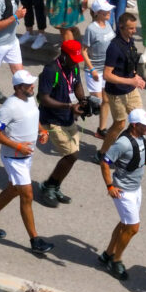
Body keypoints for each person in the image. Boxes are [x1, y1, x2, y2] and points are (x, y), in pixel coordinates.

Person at [0, 69, 55, 254]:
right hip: (14, 158)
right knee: (27, 195)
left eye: (31, 84)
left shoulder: (30, 99)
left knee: (13, 189)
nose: (32, 87)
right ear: (17, 87)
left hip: (26, 156)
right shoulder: (9, 107)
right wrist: (18, 147)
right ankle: (35, 240)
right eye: (28, 85)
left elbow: (34, 118)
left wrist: (42, 132)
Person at [98, 108, 146, 281]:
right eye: (144, 124)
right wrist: (110, 186)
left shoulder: (141, 137)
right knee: (133, 227)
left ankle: (108, 254)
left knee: (126, 223)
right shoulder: (122, 143)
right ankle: (116, 260)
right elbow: (105, 162)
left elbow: (141, 155)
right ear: (134, 125)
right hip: (123, 191)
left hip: (136, 188)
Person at [37, 40, 86, 207]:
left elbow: (77, 84)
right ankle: (49, 186)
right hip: (51, 120)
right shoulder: (51, 70)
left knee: (72, 156)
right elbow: (44, 98)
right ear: (63, 56)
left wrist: (83, 101)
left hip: (67, 117)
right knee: (71, 155)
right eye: (72, 58)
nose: (75, 62)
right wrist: (69, 106)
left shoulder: (73, 66)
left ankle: (54, 185)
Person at [94, 12, 145, 163]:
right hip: (116, 93)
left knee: (140, 121)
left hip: (131, 89)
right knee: (120, 124)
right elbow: (107, 75)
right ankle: (102, 153)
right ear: (121, 27)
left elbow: (130, 63)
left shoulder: (130, 41)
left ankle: (128, 149)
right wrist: (130, 82)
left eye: (135, 28)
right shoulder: (114, 47)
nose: (134, 31)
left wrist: (136, 77)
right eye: (130, 28)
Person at [81, 0, 115, 140]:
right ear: (97, 13)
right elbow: (83, 51)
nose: (109, 12)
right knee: (98, 102)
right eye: (106, 11)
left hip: (106, 70)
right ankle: (76, 110)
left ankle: (101, 130)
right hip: (94, 71)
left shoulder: (108, 24)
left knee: (105, 100)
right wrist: (92, 69)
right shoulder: (91, 29)